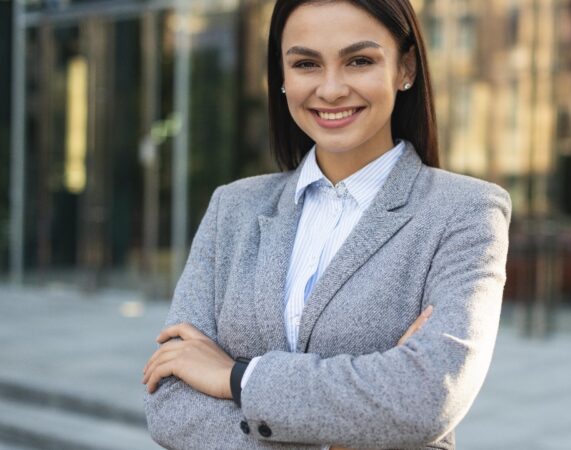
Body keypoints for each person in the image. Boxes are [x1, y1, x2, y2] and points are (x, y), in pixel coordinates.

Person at [142, 1, 511, 449]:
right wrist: (346, 429)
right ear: (282, 76)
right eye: (305, 64)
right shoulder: (232, 209)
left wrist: (236, 377)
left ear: (405, 67)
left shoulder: (465, 211)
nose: (332, 89)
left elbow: (427, 396)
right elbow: (171, 401)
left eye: (359, 61)